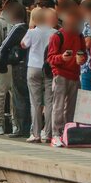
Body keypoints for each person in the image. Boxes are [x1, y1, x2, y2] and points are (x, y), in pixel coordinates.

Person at [47, 7, 86, 147]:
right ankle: (56, 134)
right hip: (60, 75)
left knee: (72, 106)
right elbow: (50, 58)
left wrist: (81, 59)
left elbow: (83, 53)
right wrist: (62, 58)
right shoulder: (57, 37)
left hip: (75, 75)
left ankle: (68, 131)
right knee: (58, 105)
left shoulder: (80, 36)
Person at [22, 8, 57, 143]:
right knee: (49, 102)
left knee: (35, 102)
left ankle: (35, 134)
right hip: (49, 68)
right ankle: (48, 133)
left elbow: (23, 45)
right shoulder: (54, 33)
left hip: (33, 68)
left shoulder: (31, 32)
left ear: (34, 19)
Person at [0, 0, 22, 135]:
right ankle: (15, 124)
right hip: (17, 65)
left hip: (2, 64)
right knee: (15, 96)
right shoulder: (20, 24)